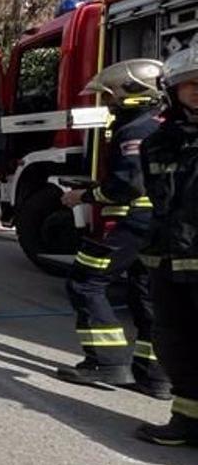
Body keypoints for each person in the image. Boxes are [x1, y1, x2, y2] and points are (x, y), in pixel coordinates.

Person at [56, 58, 169, 398]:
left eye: (110, 96)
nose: (107, 103)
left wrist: (84, 195)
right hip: (159, 227)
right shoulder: (163, 124)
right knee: (147, 295)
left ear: (133, 94)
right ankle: (156, 376)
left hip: (129, 223)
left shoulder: (135, 131)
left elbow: (129, 186)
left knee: (86, 282)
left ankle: (106, 362)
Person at [136, 45, 198, 446]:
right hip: (168, 259)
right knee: (173, 340)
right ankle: (187, 421)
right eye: (188, 85)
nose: (196, 91)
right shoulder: (157, 143)